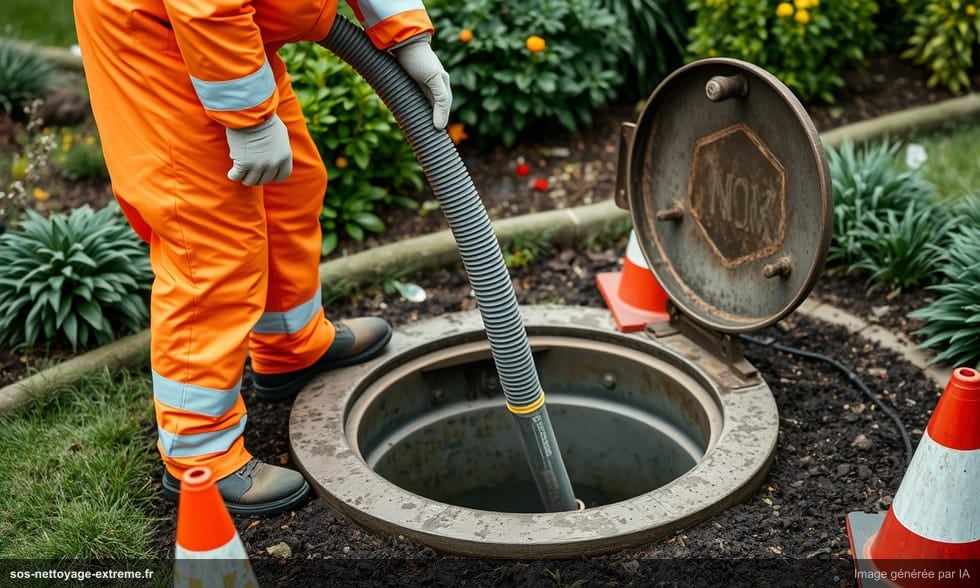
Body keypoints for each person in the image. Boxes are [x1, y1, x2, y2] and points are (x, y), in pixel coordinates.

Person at [72, 0, 452, 516]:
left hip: (232, 37)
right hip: (165, 41)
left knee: (288, 190)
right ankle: (198, 453)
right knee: (209, 246)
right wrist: (247, 118)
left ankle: (290, 345)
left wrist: (407, 35)